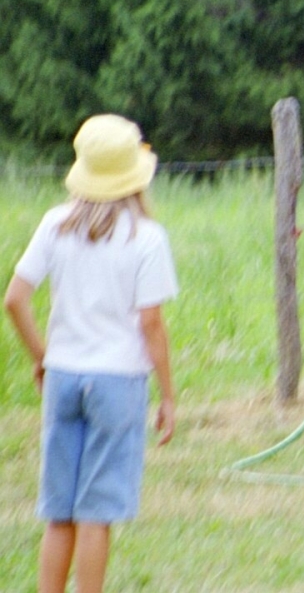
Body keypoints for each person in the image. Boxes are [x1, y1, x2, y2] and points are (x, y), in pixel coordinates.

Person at [4, 114, 178, 593]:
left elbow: (15, 299)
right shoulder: (146, 237)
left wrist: (41, 356)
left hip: (63, 376)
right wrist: (168, 395)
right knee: (95, 513)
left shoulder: (54, 224)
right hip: (117, 382)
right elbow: (151, 324)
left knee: (59, 511)